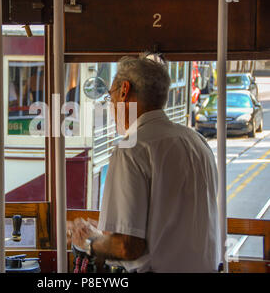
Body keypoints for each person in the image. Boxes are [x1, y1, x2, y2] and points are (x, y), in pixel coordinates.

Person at [68, 53, 222, 273]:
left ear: (124, 91)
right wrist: (105, 232)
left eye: (110, 97)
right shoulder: (197, 141)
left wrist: (88, 242)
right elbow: (169, 225)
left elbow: (128, 247)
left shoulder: (131, 149)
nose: (110, 107)